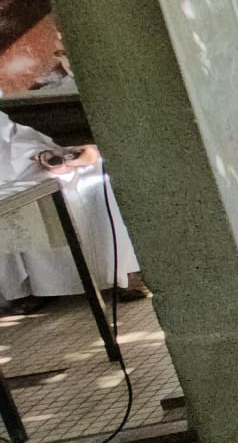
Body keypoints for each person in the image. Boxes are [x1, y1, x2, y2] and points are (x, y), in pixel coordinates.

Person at [0, 110, 142, 313]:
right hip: (25, 159)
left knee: (97, 177)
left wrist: (83, 151)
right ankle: (35, 287)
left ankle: (125, 273)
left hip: (76, 146)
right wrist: (38, 154)